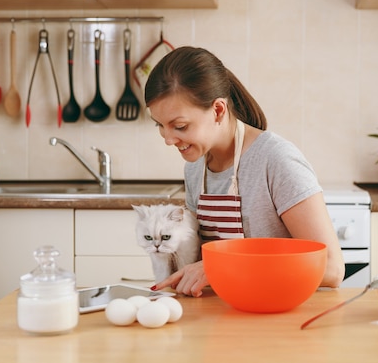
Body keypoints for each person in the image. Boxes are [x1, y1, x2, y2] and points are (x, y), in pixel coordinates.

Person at [145, 46, 345, 297]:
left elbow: (332, 269)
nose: (168, 139)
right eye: (160, 126)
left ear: (218, 110)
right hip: (222, 312)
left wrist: (223, 266)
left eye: (180, 126)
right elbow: (201, 264)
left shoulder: (275, 159)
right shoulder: (195, 168)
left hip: (276, 315)